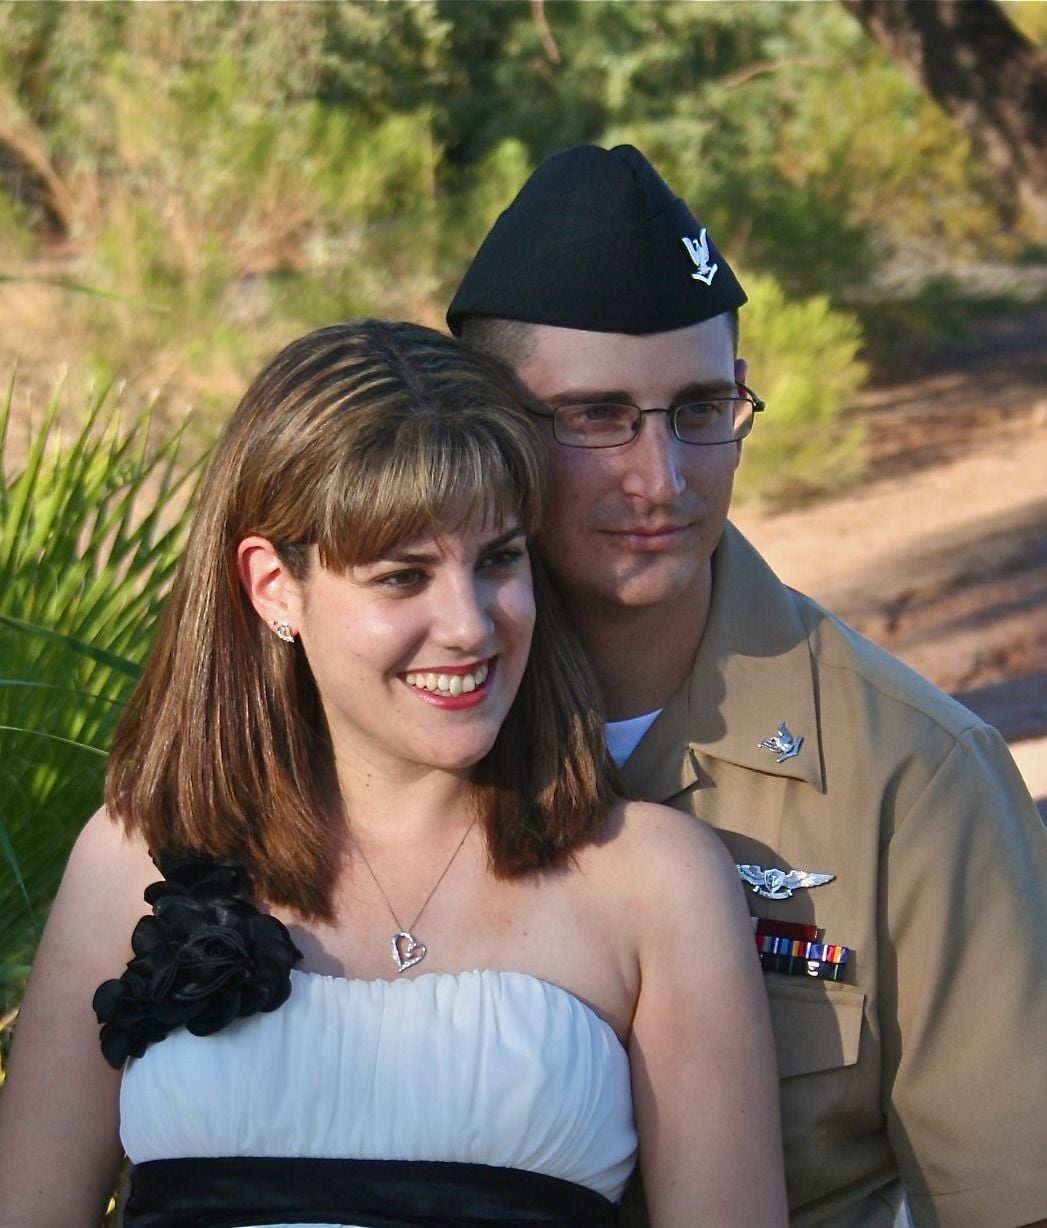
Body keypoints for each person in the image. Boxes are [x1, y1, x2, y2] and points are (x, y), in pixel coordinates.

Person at [0, 320, 788, 1228]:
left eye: (498, 560)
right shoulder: (129, 859)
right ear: (273, 586)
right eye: (402, 577)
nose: (469, 625)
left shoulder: (654, 882)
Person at [446, 144, 1047, 1228]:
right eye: (595, 415)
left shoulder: (912, 777)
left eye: (700, 407)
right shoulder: (394, 739)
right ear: (486, 428)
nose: (661, 478)